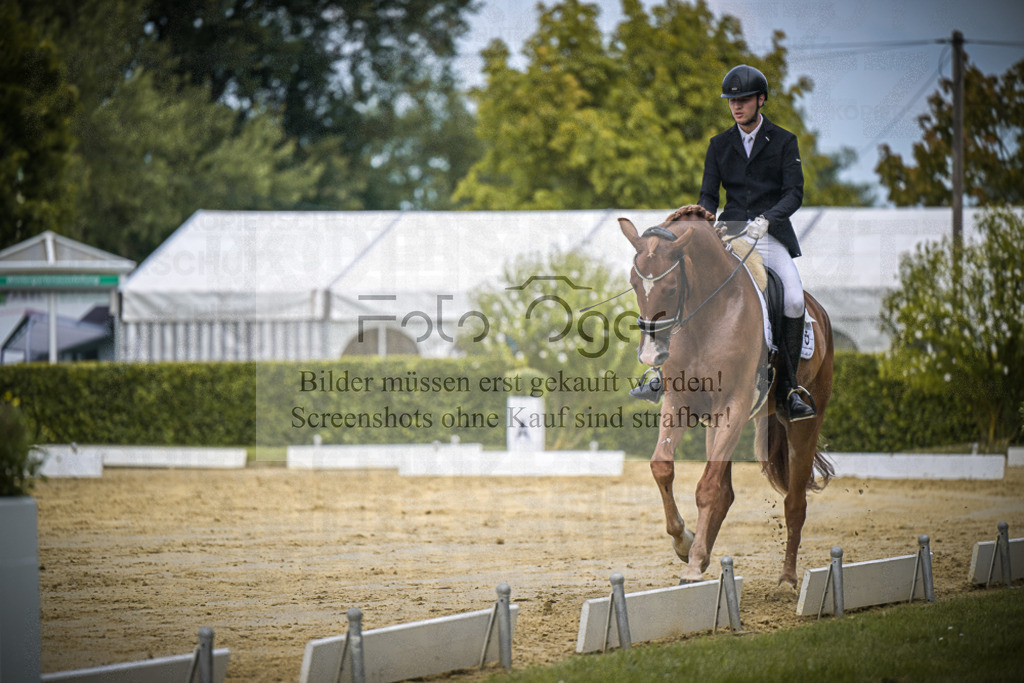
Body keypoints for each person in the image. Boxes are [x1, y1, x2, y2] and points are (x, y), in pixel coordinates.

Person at [630, 64, 816, 422]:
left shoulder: (783, 141)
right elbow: (708, 196)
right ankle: (660, 374)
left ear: (761, 100)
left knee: (792, 299)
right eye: (732, 101)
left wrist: (767, 221)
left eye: (744, 99)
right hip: (728, 235)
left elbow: (794, 193)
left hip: (768, 235)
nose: (737, 106)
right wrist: (703, 216)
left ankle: (789, 387)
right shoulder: (719, 144)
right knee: (681, 285)